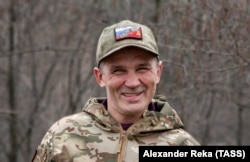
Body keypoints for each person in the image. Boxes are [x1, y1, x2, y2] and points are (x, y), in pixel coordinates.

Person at [31, 20, 200, 162]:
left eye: (142, 68)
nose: (133, 83)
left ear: (158, 72)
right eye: (118, 71)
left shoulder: (183, 146)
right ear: (99, 77)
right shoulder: (63, 137)